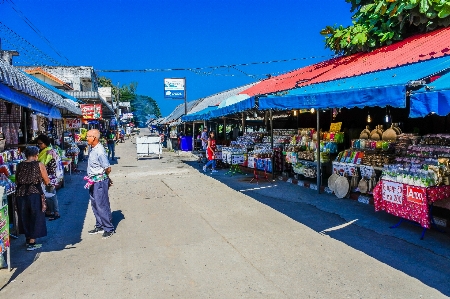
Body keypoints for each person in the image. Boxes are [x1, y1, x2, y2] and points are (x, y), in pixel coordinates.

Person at [15, 146, 51, 251]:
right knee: (35, 216)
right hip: (34, 193)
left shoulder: (20, 165)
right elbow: (46, 180)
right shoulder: (39, 165)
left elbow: (17, 180)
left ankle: (27, 238)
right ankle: (32, 242)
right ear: (36, 155)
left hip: (20, 193)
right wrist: (48, 184)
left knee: (24, 215)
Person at [86, 129, 114, 239]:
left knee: (102, 204)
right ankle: (100, 225)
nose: (86, 138)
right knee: (94, 204)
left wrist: (105, 178)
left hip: (99, 181)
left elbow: (107, 168)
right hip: (92, 180)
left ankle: (108, 228)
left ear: (94, 138)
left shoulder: (100, 151)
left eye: (88, 136)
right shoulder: (92, 149)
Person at [36, 134, 62, 221]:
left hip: (49, 177)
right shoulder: (43, 151)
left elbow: (46, 166)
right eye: (38, 144)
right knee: (47, 195)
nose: (39, 145)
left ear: (45, 143)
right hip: (45, 176)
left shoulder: (49, 152)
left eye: (40, 143)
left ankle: (56, 212)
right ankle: (50, 211)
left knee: (52, 195)